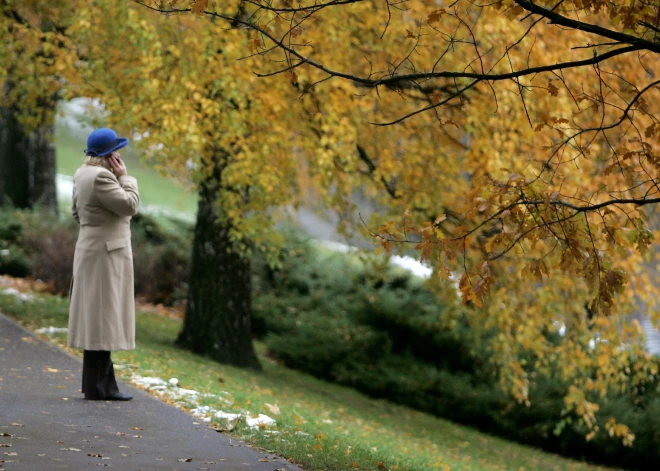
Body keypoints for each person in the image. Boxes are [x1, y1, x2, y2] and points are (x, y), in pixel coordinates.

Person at [67, 128, 140, 401]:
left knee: (97, 319)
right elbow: (130, 205)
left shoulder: (81, 173)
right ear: (108, 155)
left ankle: (101, 386)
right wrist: (125, 177)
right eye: (116, 150)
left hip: (91, 251)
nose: (119, 154)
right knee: (102, 320)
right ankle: (100, 388)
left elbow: (76, 212)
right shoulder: (102, 177)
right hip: (106, 256)